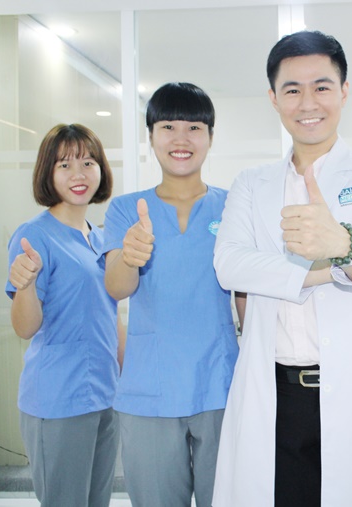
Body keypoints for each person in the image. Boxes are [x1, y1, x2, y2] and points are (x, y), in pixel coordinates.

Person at [212, 30, 352, 507]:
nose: (308, 102)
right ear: (274, 98)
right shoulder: (251, 183)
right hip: (277, 392)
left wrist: (342, 245)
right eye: (292, 89)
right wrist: (338, 257)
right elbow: (229, 266)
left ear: (344, 92)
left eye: (322, 86)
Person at [102, 82, 243, 507]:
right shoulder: (126, 209)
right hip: (151, 387)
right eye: (168, 126)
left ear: (210, 137)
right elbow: (117, 287)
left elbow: (247, 293)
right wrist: (130, 256)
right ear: (151, 136)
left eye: (194, 127)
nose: (181, 139)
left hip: (220, 384)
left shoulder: (233, 206)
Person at [6, 124, 119, 507]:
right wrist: (25, 285)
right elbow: (25, 327)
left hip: (104, 395)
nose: (79, 174)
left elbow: (110, 318)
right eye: (65, 165)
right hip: (58, 400)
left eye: (88, 162)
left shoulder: (101, 238)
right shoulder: (34, 237)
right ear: (48, 172)